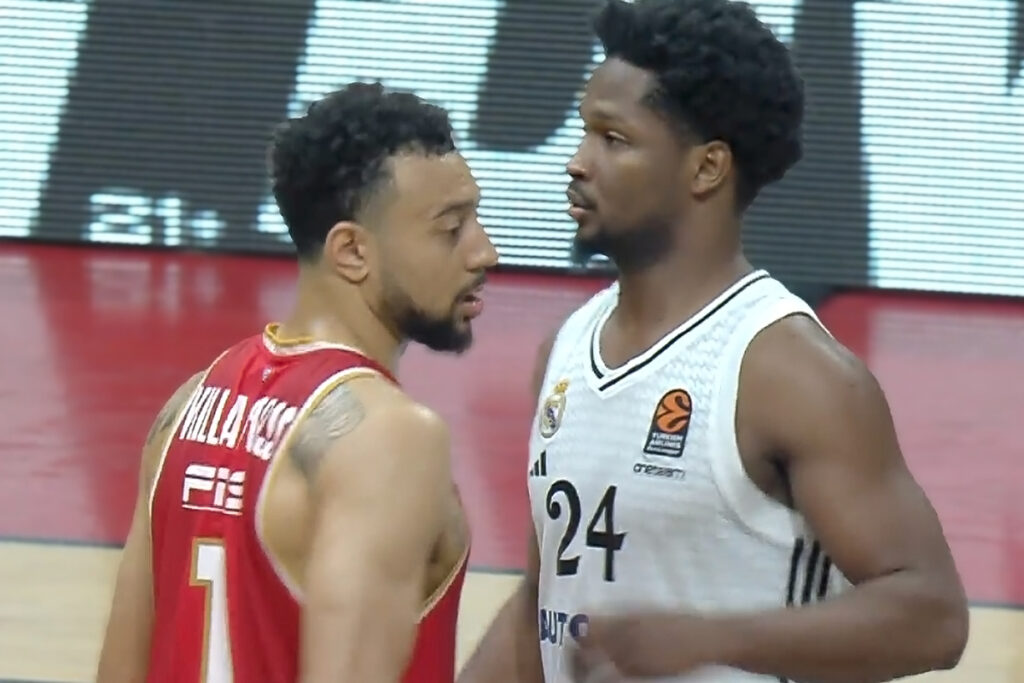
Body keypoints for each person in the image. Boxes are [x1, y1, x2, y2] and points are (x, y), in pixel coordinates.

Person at [459, 1, 969, 682]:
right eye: (585, 133)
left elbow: (932, 616)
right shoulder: (565, 348)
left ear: (707, 168)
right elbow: (541, 604)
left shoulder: (788, 372)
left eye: (613, 139)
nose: (577, 163)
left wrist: (709, 640)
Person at [95, 82, 499, 683]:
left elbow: (119, 670)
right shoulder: (390, 437)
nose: (484, 251)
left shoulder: (189, 405)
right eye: (451, 228)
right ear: (352, 251)